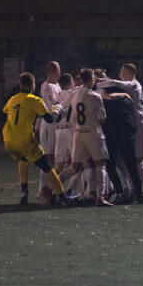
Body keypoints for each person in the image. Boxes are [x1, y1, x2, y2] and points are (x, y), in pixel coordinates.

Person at [96, 63, 143, 204]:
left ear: (128, 73)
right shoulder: (138, 85)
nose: (120, 74)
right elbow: (114, 82)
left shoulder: (131, 84)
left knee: (139, 161)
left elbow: (115, 83)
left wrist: (97, 82)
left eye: (122, 71)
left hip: (140, 126)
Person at [1, 72, 68, 207]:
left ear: (20, 85)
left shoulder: (13, 99)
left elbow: (6, 111)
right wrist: (58, 110)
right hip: (24, 141)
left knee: (23, 159)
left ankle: (24, 194)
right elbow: (49, 119)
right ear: (33, 85)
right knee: (47, 167)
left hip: (9, 141)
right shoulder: (34, 100)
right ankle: (63, 196)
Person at [56, 68, 113, 207]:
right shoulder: (95, 96)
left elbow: (61, 105)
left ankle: (54, 190)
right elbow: (102, 118)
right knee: (100, 164)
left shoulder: (74, 92)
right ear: (92, 80)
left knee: (74, 166)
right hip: (93, 134)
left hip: (78, 133)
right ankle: (100, 198)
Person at [101, 85, 143, 204]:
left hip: (113, 138)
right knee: (131, 167)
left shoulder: (107, 102)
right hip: (127, 136)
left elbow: (104, 119)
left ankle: (120, 192)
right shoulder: (127, 100)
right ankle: (139, 194)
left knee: (110, 166)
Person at [37, 61, 63, 202]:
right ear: (52, 71)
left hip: (56, 125)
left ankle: (48, 188)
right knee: (48, 158)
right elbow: (52, 106)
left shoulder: (57, 84)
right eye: (58, 70)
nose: (59, 73)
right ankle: (43, 189)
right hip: (48, 125)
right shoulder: (46, 86)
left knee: (55, 159)